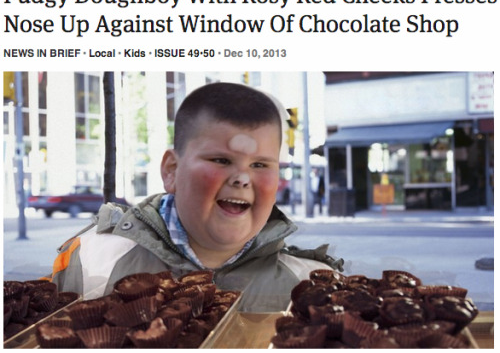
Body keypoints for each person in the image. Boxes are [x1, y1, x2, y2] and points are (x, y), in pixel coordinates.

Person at [48, 82, 343, 312]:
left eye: (259, 165)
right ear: (172, 170)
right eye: (221, 160)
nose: (242, 178)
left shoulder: (315, 285)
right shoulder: (88, 261)